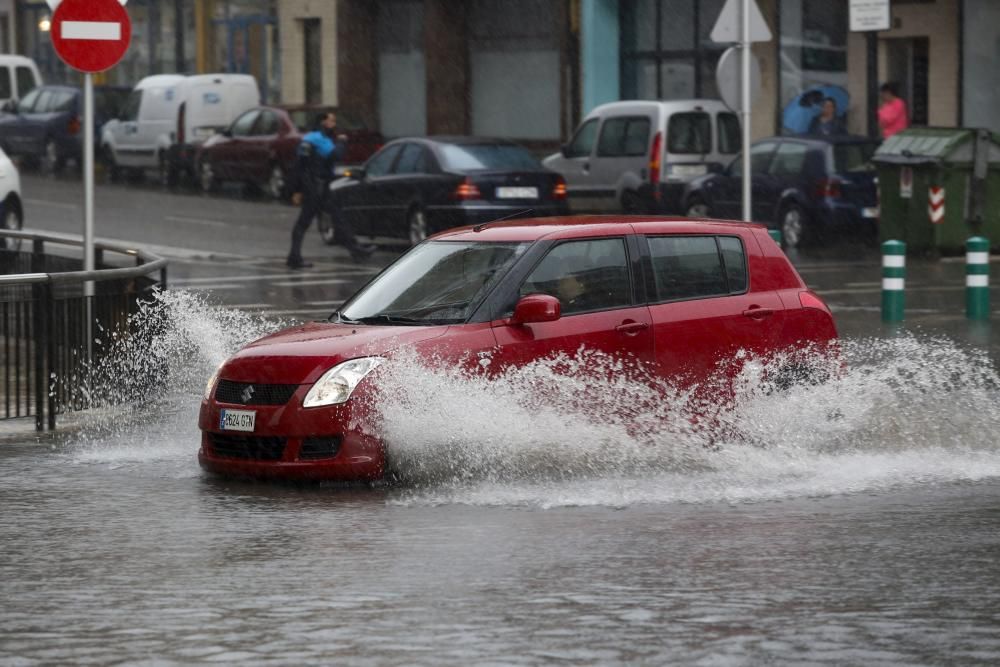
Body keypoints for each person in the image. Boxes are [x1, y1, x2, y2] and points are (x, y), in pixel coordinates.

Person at [286, 111, 373, 269]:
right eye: (332, 121)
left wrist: (298, 188)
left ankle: (355, 249)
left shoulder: (308, 138)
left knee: (335, 218)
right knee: (309, 222)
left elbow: (302, 166)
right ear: (323, 123)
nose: (334, 124)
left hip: (316, 187)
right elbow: (335, 155)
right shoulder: (319, 139)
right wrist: (342, 142)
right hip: (317, 189)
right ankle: (294, 257)